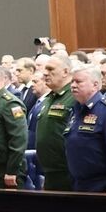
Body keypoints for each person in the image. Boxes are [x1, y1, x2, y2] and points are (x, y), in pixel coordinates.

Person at [65, 65, 106, 193]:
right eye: (72, 81)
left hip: (103, 187)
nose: (73, 85)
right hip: (79, 186)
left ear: (95, 85)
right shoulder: (76, 110)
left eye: (78, 82)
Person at [33, 55, 77, 190]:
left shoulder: (74, 96)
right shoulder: (50, 98)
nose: (45, 73)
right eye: (45, 69)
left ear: (65, 71)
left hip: (68, 172)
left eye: (50, 69)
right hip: (50, 172)